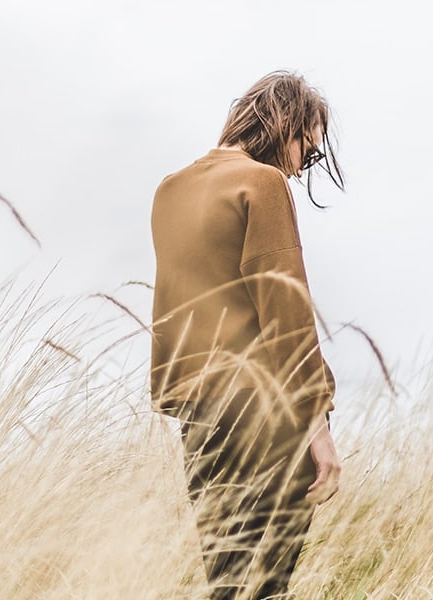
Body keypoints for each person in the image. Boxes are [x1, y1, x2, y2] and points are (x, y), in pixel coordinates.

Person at [149, 71, 345, 599]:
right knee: (267, 584)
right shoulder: (262, 182)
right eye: (309, 145)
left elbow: (172, 308)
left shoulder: (170, 191)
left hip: (199, 417)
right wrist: (316, 422)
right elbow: (285, 309)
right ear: (285, 125)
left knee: (227, 581)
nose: (305, 162)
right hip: (264, 410)